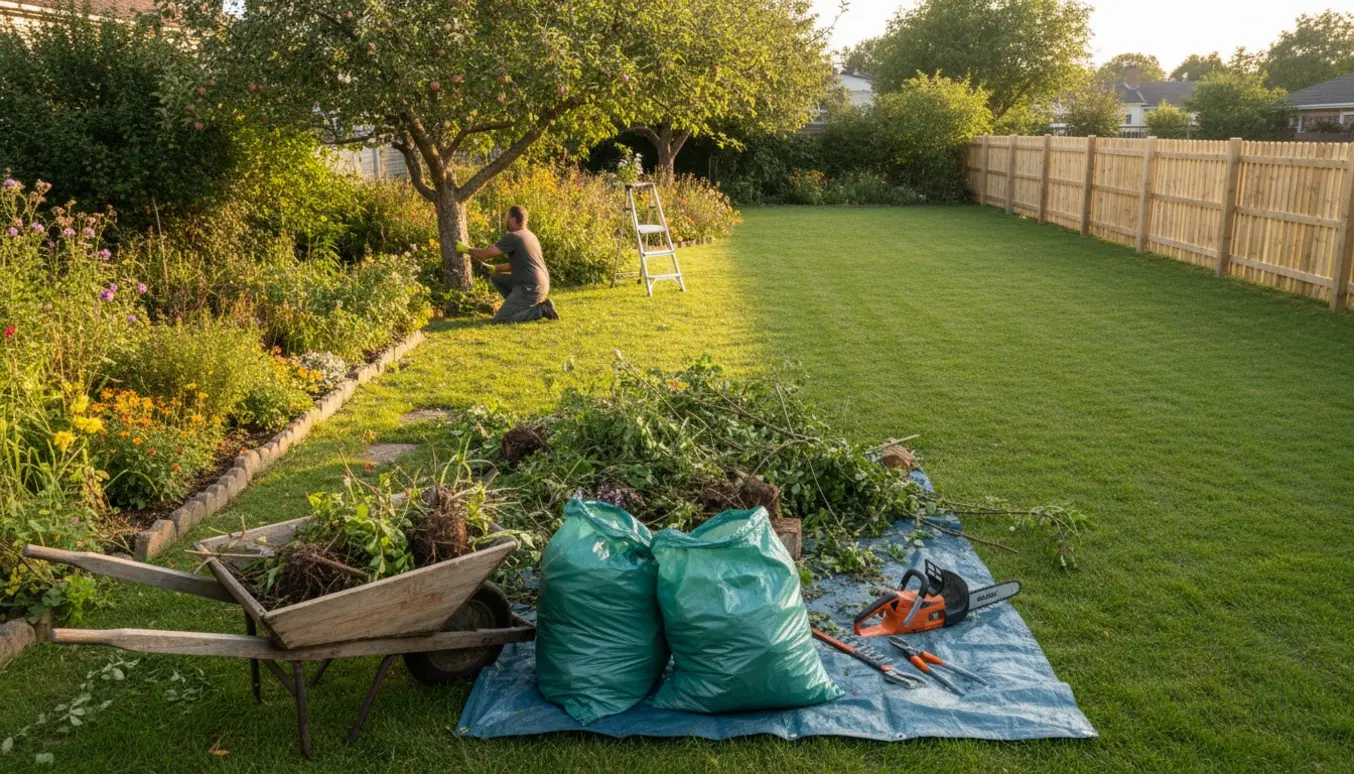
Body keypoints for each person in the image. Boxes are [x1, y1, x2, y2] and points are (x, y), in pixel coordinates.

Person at [457, 205, 559, 323]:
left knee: (501, 319)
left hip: (530, 287)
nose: (506, 220)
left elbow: (486, 254)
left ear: (514, 219)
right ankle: (516, 306)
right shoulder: (531, 236)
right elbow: (521, 264)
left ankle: (541, 310)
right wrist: (495, 269)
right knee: (497, 278)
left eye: (508, 217)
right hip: (542, 284)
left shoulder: (514, 236)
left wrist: (467, 250)